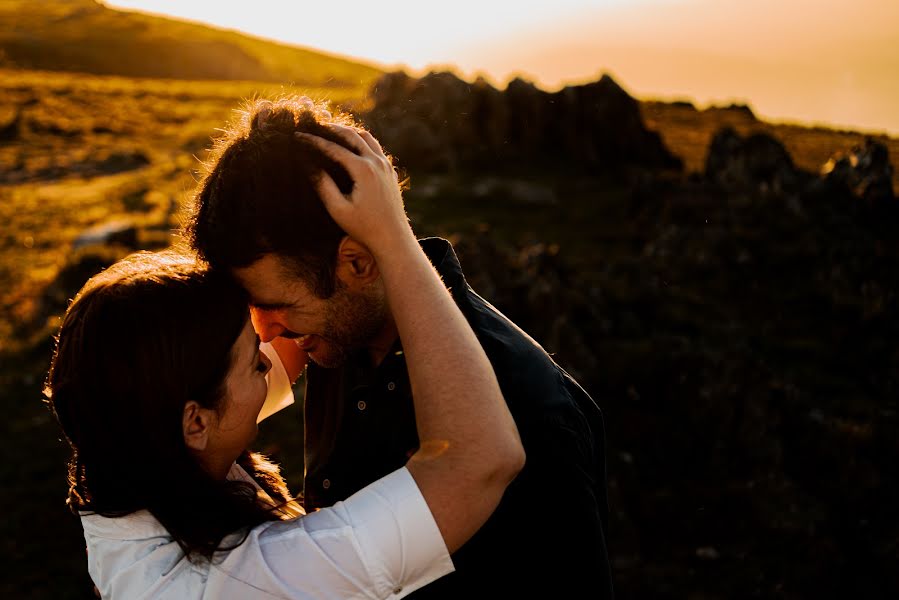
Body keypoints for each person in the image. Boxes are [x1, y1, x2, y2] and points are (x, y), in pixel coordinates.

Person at [44, 141, 525, 598]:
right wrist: (389, 239)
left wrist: (270, 166)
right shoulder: (257, 582)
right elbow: (479, 461)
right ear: (195, 421)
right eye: (256, 362)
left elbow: (306, 318)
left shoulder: (132, 455)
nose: (276, 343)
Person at [188, 97, 614, 598]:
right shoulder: (340, 337)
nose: (264, 333)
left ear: (358, 265)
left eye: (277, 304)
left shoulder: (526, 401)